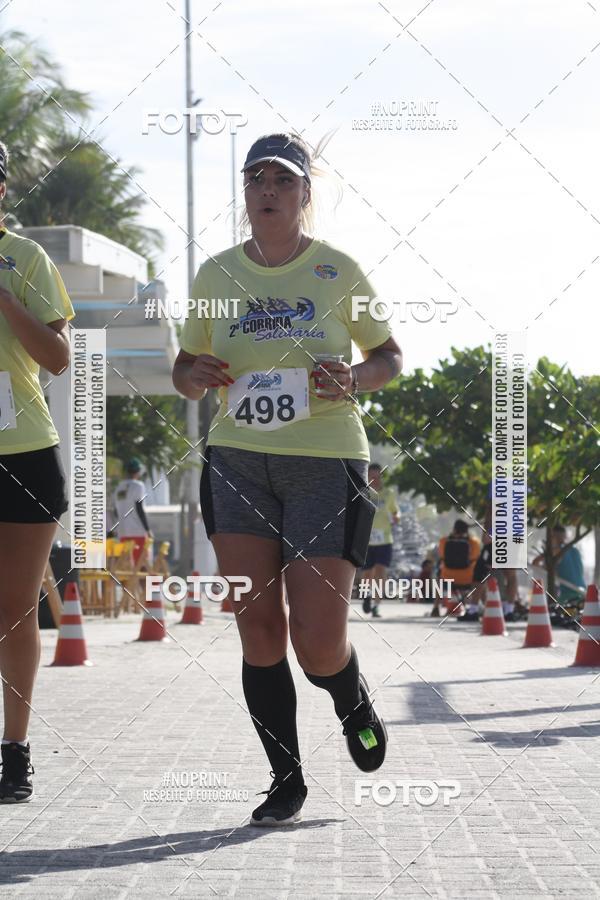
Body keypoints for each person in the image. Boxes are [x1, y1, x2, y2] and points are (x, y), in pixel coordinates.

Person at [172, 132, 402, 826]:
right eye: (256, 180)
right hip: (237, 459)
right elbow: (185, 369)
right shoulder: (216, 275)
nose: (267, 191)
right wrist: (195, 374)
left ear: (305, 193)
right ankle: (286, 779)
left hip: (324, 460)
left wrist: (355, 376)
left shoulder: (336, 269)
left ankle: (350, 697)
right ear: (245, 193)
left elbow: (389, 356)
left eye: (282, 180)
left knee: (318, 641)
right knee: (259, 629)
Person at [0, 140, 74, 802]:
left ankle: (15, 751)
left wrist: (5, 300)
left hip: (21, 452)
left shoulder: (26, 258)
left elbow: (58, 356)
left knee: (15, 609)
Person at [361, 463, 400, 617]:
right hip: (366, 539)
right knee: (367, 573)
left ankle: (376, 605)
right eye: (372, 477)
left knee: (381, 571)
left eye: (378, 477)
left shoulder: (389, 493)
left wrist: (397, 517)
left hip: (385, 539)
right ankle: (366, 595)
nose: (375, 480)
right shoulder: (364, 493)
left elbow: (396, 511)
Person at [433, 519, 480, 617]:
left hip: (447, 577)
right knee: (480, 577)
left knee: (438, 577)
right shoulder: (474, 542)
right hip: (467, 578)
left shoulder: (443, 541)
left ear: (454, 529)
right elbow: (474, 558)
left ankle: (436, 607)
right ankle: (475, 608)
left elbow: (442, 557)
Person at [532, 525, 586, 607]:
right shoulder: (575, 550)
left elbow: (535, 563)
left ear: (553, 537)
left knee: (552, 610)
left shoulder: (556, 551)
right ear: (565, 536)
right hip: (582, 592)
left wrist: (547, 552)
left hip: (568, 595)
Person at [112, 457, 153, 566]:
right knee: (140, 565)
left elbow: (116, 511)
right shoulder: (139, 486)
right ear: (138, 472)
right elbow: (139, 509)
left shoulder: (119, 487)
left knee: (126, 566)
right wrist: (148, 529)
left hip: (123, 532)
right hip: (138, 532)